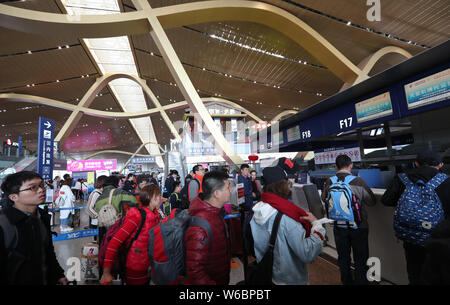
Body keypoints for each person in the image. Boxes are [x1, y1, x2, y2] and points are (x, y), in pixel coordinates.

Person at [381, 150, 450, 285]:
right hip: (439, 238)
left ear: (416, 163)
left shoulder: (401, 178)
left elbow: (387, 200)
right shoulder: (447, 180)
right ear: (441, 164)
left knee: (414, 271)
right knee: (440, 273)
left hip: (410, 235)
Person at [250, 166, 325, 285]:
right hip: (290, 280)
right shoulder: (286, 217)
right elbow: (307, 253)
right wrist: (317, 225)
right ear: (281, 186)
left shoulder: (256, 211)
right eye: (287, 182)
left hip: (268, 275)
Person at [0, 171, 67, 285]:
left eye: (41, 185)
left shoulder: (42, 217)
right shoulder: (4, 223)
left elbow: (47, 251)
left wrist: (57, 274)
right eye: (32, 188)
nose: (41, 190)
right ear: (14, 197)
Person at [321, 154, 376, 285]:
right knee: (360, 258)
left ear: (336, 166)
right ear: (351, 165)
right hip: (359, 226)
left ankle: (346, 282)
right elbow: (371, 201)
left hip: (339, 226)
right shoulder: (358, 181)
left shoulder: (330, 181)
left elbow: (324, 199)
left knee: (343, 258)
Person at [100, 184, 162, 285]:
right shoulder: (137, 217)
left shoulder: (155, 215)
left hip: (148, 266)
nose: (161, 199)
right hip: (135, 269)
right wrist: (106, 273)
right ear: (154, 198)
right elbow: (114, 243)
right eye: (160, 196)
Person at [184, 170, 231, 285]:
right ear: (216, 193)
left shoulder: (215, 213)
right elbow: (194, 270)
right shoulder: (200, 226)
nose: (231, 190)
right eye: (228, 187)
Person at [94, 176, 139, 246]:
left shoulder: (99, 198)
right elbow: (134, 201)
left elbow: (96, 210)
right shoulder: (119, 192)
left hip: (103, 229)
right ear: (115, 183)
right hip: (118, 226)